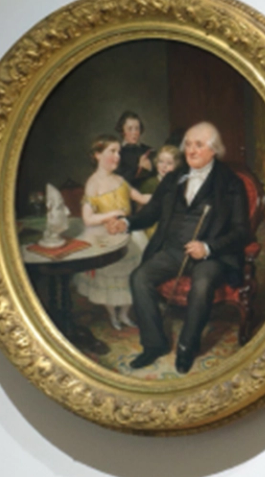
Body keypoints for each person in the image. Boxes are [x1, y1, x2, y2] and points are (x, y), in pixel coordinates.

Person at [128, 121, 254, 376]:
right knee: (139, 277)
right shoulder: (174, 178)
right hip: (173, 249)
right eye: (188, 144)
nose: (191, 150)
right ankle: (154, 344)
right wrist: (125, 222)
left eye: (199, 145)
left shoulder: (230, 183)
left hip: (212, 255)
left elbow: (242, 232)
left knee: (203, 284)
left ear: (214, 150)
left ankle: (187, 347)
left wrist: (207, 247)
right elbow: (150, 213)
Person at [69, 138, 144, 336]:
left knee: (132, 277)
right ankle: (112, 314)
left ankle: (125, 314)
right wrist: (112, 214)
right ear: (98, 155)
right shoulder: (92, 183)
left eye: (119, 152)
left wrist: (165, 194)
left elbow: (142, 198)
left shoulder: (120, 180)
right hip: (106, 237)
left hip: (128, 233)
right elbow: (88, 218)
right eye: (112, 151)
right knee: (111, 280)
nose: (117, 157)